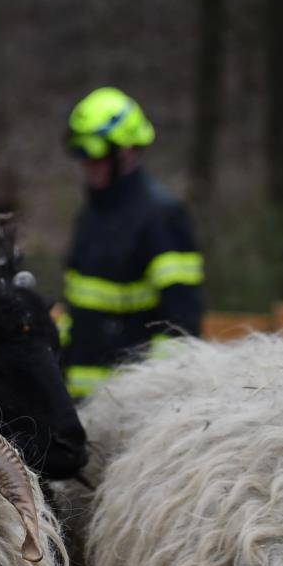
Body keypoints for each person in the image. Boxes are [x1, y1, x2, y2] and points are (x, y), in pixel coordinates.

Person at [59, 86, 203, 398]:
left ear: (126, 151)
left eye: (95, 150)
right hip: (81, 404)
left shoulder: (161, 217)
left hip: (132, 407)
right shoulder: (90, 216)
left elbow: (182, 325)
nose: (87, 162)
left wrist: (153, 396)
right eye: (79, 150)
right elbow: (81, 313)